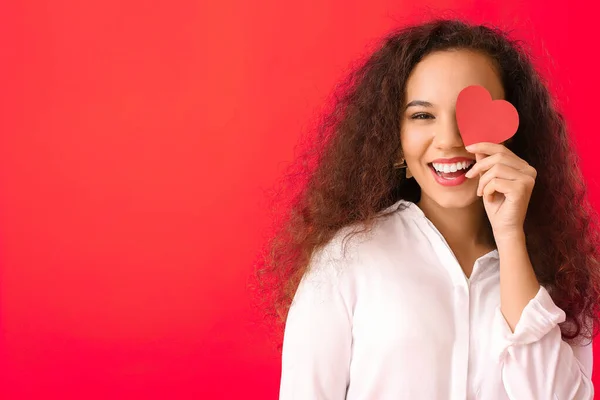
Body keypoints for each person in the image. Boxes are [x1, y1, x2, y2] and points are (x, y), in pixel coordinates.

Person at [252, 18, 600, 399]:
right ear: (396, 136)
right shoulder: (346, 261)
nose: (450, 140)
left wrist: (511, 239)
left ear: (514, 128)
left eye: (471, 115)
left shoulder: (560, 271)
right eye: (422, 115)